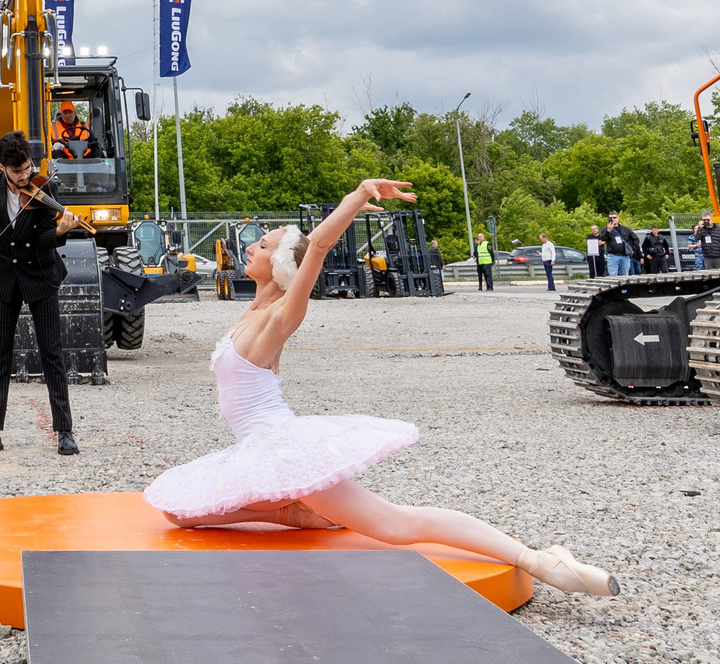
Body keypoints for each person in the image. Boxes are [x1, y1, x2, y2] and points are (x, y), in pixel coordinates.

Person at [143, 179, 617, 598]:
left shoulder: (280, 315)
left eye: (262, 245)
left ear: (283, 261)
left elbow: (320, 247)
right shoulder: (248, 313)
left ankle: (540, 560)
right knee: (179, 514)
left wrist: (357, 195)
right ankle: (299, 513)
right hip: (258, 446)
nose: (250, 248)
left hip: (280, 445)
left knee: (394, 525)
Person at [0, 130, 85, 457]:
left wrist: (62, 230)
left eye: (27, 167)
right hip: (4, 278)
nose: (25, 176)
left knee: (51, 352)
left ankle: (63, 431)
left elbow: (41, 241)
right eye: (17, 171)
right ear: (2, 167)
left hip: (39, 274)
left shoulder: (43, 188)